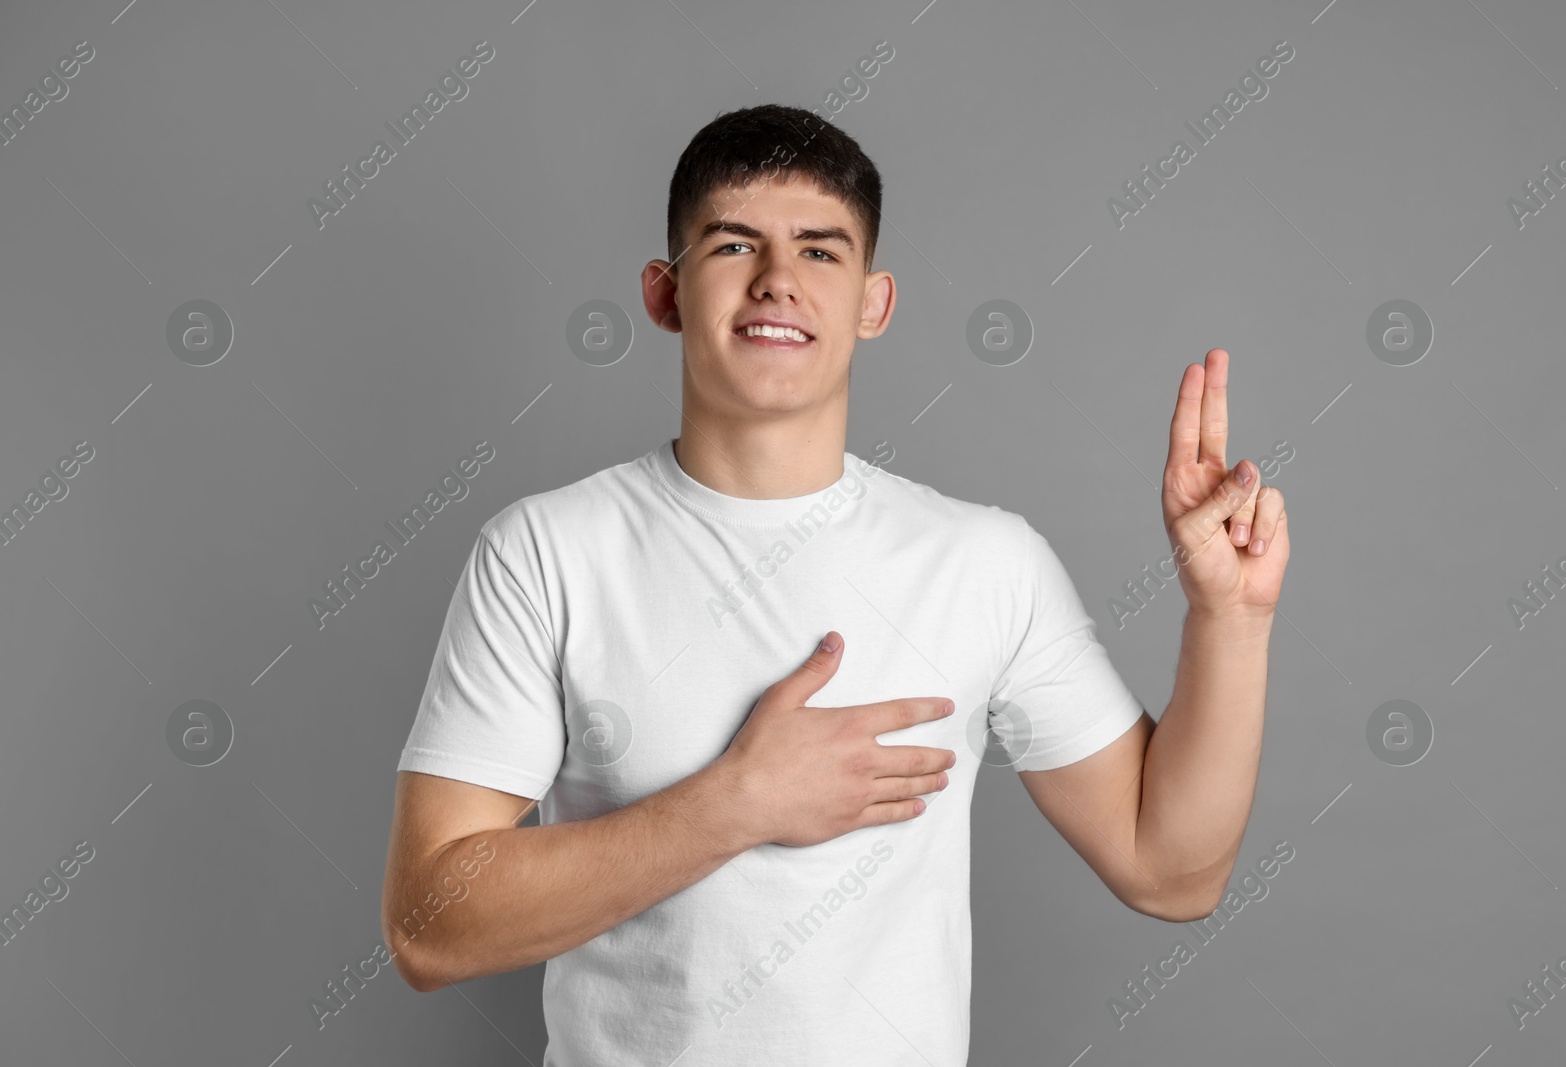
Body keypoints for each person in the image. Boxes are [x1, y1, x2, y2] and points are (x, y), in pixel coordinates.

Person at [380, 102, 1289, 1065]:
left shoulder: (984, 562)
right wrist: (737, 802)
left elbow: (1171, 873)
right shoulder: (543, 553)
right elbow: (428, 928)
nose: (778, 281)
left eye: (821, 252)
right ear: (665, 292)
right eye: (735, 244)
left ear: (873, 302)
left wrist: (1228, 618)